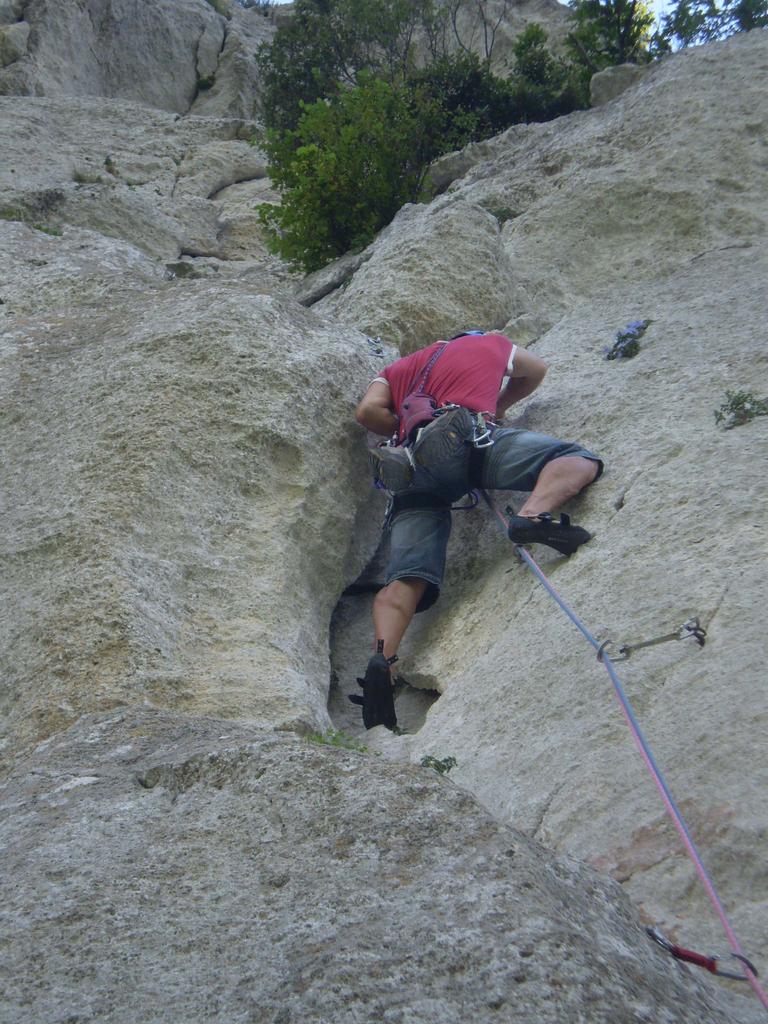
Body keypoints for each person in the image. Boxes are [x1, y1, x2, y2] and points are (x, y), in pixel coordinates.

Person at [349, 330, 603, 730]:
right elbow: (536, 369)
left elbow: (367, 412)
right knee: (575, 458)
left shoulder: (396, 369)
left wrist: (409, 425)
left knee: (406, 578)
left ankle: (383, 659)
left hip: (410, 469)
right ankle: (532, 516)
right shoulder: (488, 343)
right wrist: (497, 406)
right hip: (467, 440)